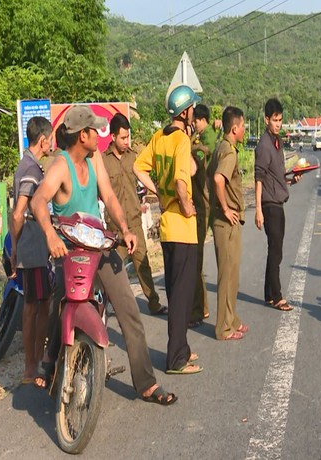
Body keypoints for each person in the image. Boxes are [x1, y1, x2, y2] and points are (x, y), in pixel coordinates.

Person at [32, 106, 176, 404]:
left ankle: (146, 382)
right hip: (69, 248)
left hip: (98, 244)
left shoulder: (94, 157)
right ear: (82, 135)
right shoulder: (61, 165)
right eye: (95, 130)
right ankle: (49, 362)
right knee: (60, 302)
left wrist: (125, 229)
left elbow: (108, 195)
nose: (100, 135)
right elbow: (38, 201)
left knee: (128, 309)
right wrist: (49, 235)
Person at [134, 84, 202, 375]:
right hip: (182, 227)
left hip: (165, 228)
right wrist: (185, 203)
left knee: (175, 292)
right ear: (186, 112)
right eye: (193, 109)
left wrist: (157, 193)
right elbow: (181, 181)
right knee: (183, 296)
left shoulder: (159, 137)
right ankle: (175, 359)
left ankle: (182, 349)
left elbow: (139, 167)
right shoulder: (181, 142)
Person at [102, 113, 165, 316]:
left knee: (143, 264)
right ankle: (109, 306)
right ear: (112, 137)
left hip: (135, 223)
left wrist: (158, 193)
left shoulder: (133, 158)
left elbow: (143, 178)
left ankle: (153, 303)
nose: (126, 141)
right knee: (112, 270)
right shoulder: (102, 161)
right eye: (122, 137)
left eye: (128, 137)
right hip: (114, 227)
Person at [10, 116, 53, 388]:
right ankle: (31, 366)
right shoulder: (31, 170)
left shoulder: (29, 166)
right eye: (50, 140)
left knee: (39, 304)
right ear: (42, 140)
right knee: (34, 307)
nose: (51, 144)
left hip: (33, 248)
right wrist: (15, 249)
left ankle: (35, 362)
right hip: (33, 248)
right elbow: (18, 214)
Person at [254, 98, 301, 311]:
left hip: (278, 199)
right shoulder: (264, 145)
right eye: (275, 120)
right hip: (269, 204)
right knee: (276, 251)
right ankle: (278, 296)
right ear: (266, 120)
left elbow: (276, 175)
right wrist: (257, 210)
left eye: (280, 120)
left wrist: (291, 179)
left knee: (275, 249)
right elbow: (259, 178)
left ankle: (269, 294)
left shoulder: (277, 141)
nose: (278, 124)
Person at [208, 106, 247, 340]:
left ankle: (232, 320)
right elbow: (217, 179)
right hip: (226, 222)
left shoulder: (221, 148)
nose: (244, 130)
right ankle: (223, 327)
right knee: (227, 275)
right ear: (235, 128)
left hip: (223, 220)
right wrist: (225, 208)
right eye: (243, 126)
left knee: (232, 274)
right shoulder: (229, 153)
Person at [188, 104, 213, 328]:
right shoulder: (199, 141)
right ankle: (201, 307)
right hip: (201, 206)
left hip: (200, 207)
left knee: (195, 261)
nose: (193, 124)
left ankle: (197, 311)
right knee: (196, 261)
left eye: (195, 120)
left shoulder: (202, 145)